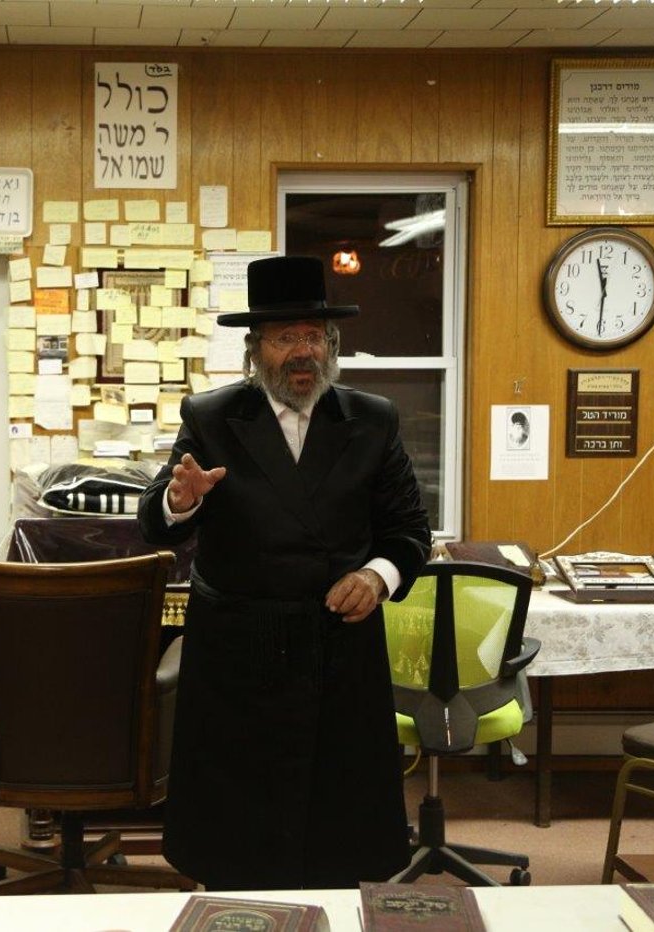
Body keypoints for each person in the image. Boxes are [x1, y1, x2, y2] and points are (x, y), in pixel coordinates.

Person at [138, 254, 432, 891]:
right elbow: (156, 522)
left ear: (331, 344)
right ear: (255, 349)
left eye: (314, 336)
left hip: (338, 650)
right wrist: (181, 501)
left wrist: (377, 576)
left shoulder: (372, 419)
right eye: (285, 337)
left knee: (339, 843)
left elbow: (410, 531)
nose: (304, 352)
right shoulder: (210, 417)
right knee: (238, 846)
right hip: (239, 654)